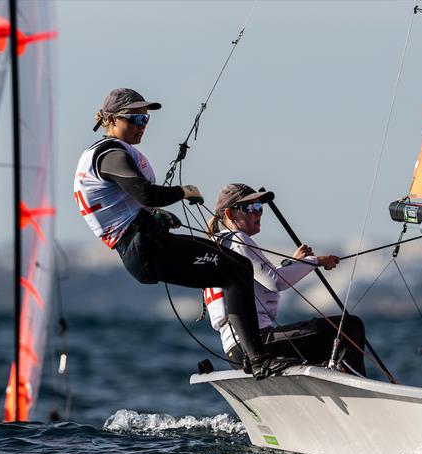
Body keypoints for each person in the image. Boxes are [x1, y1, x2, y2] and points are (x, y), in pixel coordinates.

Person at [73, 88, 266, 362]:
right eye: (135, 119)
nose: (142, 125)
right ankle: (257, 358)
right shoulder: (111, 154)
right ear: (112, 120)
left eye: (145, 119)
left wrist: (156, 215)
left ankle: (253, 356)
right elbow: (145, 194)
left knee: (239, 266)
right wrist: (183, 192)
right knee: (236, 272)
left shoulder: (102, 153)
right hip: (145, 249)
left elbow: (126, 206)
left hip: (147, 241)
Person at [204, 183, 366, 377]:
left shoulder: (216, 246)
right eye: (250, 208)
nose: (258, 213)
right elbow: (275, 282)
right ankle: (356, 383)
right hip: (258, 344)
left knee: (329, 344)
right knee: (349, 327)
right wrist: (316, 261)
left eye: (259, 207)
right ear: (230, 214)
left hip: (236, 351)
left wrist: (293, 263)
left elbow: (261, 282)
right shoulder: (237, 239)